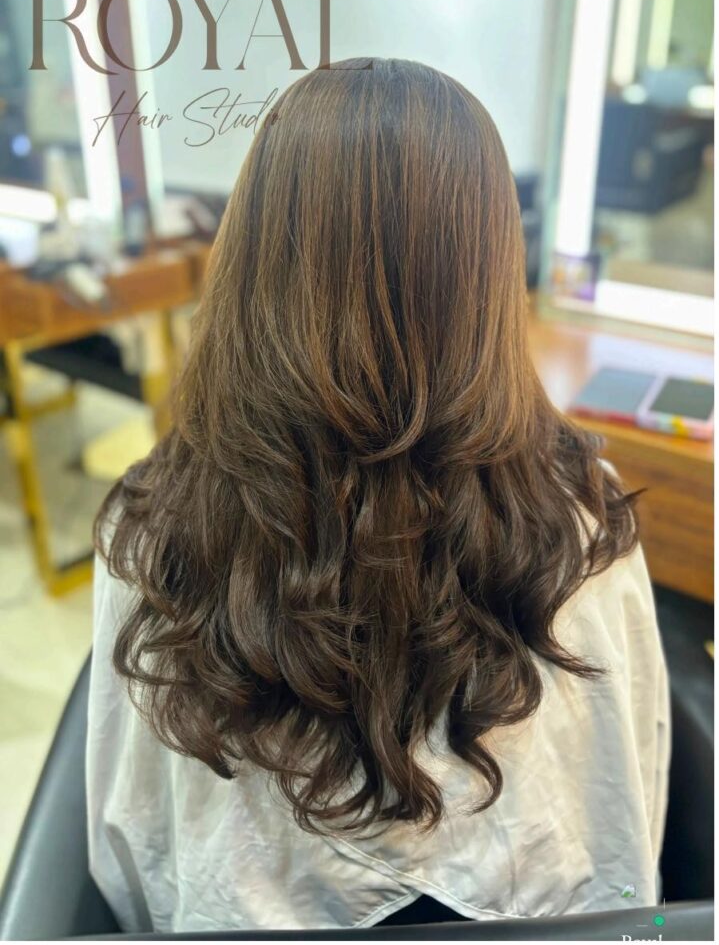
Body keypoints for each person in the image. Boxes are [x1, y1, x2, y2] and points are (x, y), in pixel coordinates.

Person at [88, 58, 670, 934]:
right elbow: (627, 802)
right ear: (487, 273)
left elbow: (129, 844)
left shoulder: (155, 520)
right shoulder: (578, 510)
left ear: (253, 257)